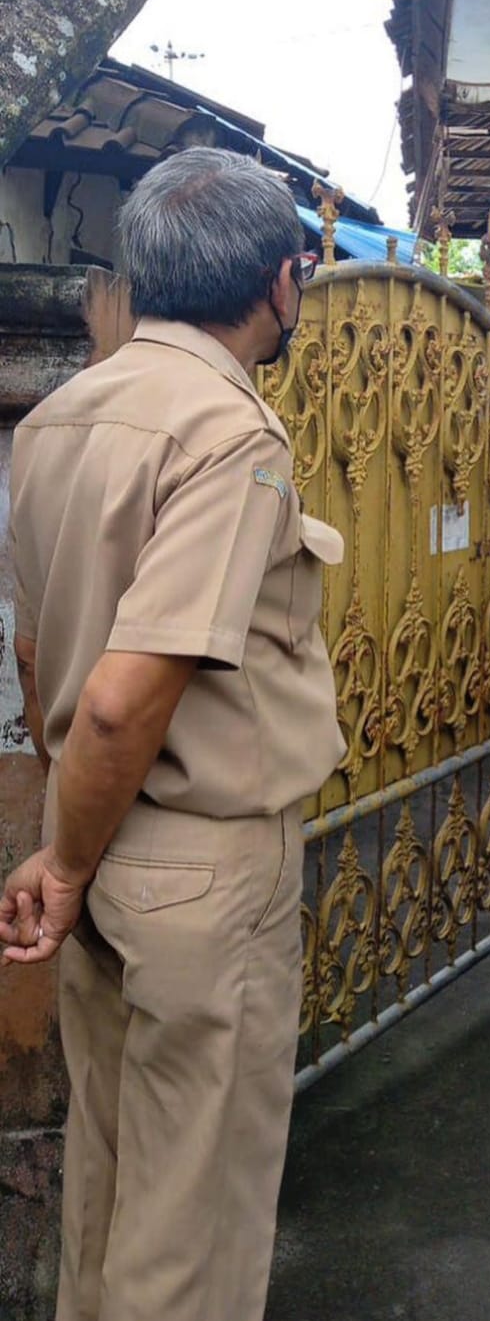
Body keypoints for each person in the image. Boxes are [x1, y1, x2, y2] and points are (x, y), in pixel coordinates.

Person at [0, 148, 345, 1321]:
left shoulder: (58, 416)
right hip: (197, 865)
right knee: (192, 1221)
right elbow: (120, 696)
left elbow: (39, 659)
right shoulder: (228, 431)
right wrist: (66, 860)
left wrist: (66, 846)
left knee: (106, 1184)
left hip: (95, 833)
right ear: (280, 281)